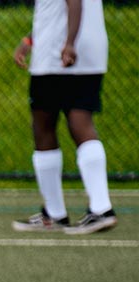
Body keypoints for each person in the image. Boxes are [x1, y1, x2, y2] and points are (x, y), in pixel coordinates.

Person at [12, 0, 115, 234]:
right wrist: (30, 39)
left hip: (56, 56)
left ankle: (71, 211)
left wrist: (68, 43)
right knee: (80, 119)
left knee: (45, 126)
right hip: (90, 53)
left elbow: (74, 2)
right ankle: (96, 209)